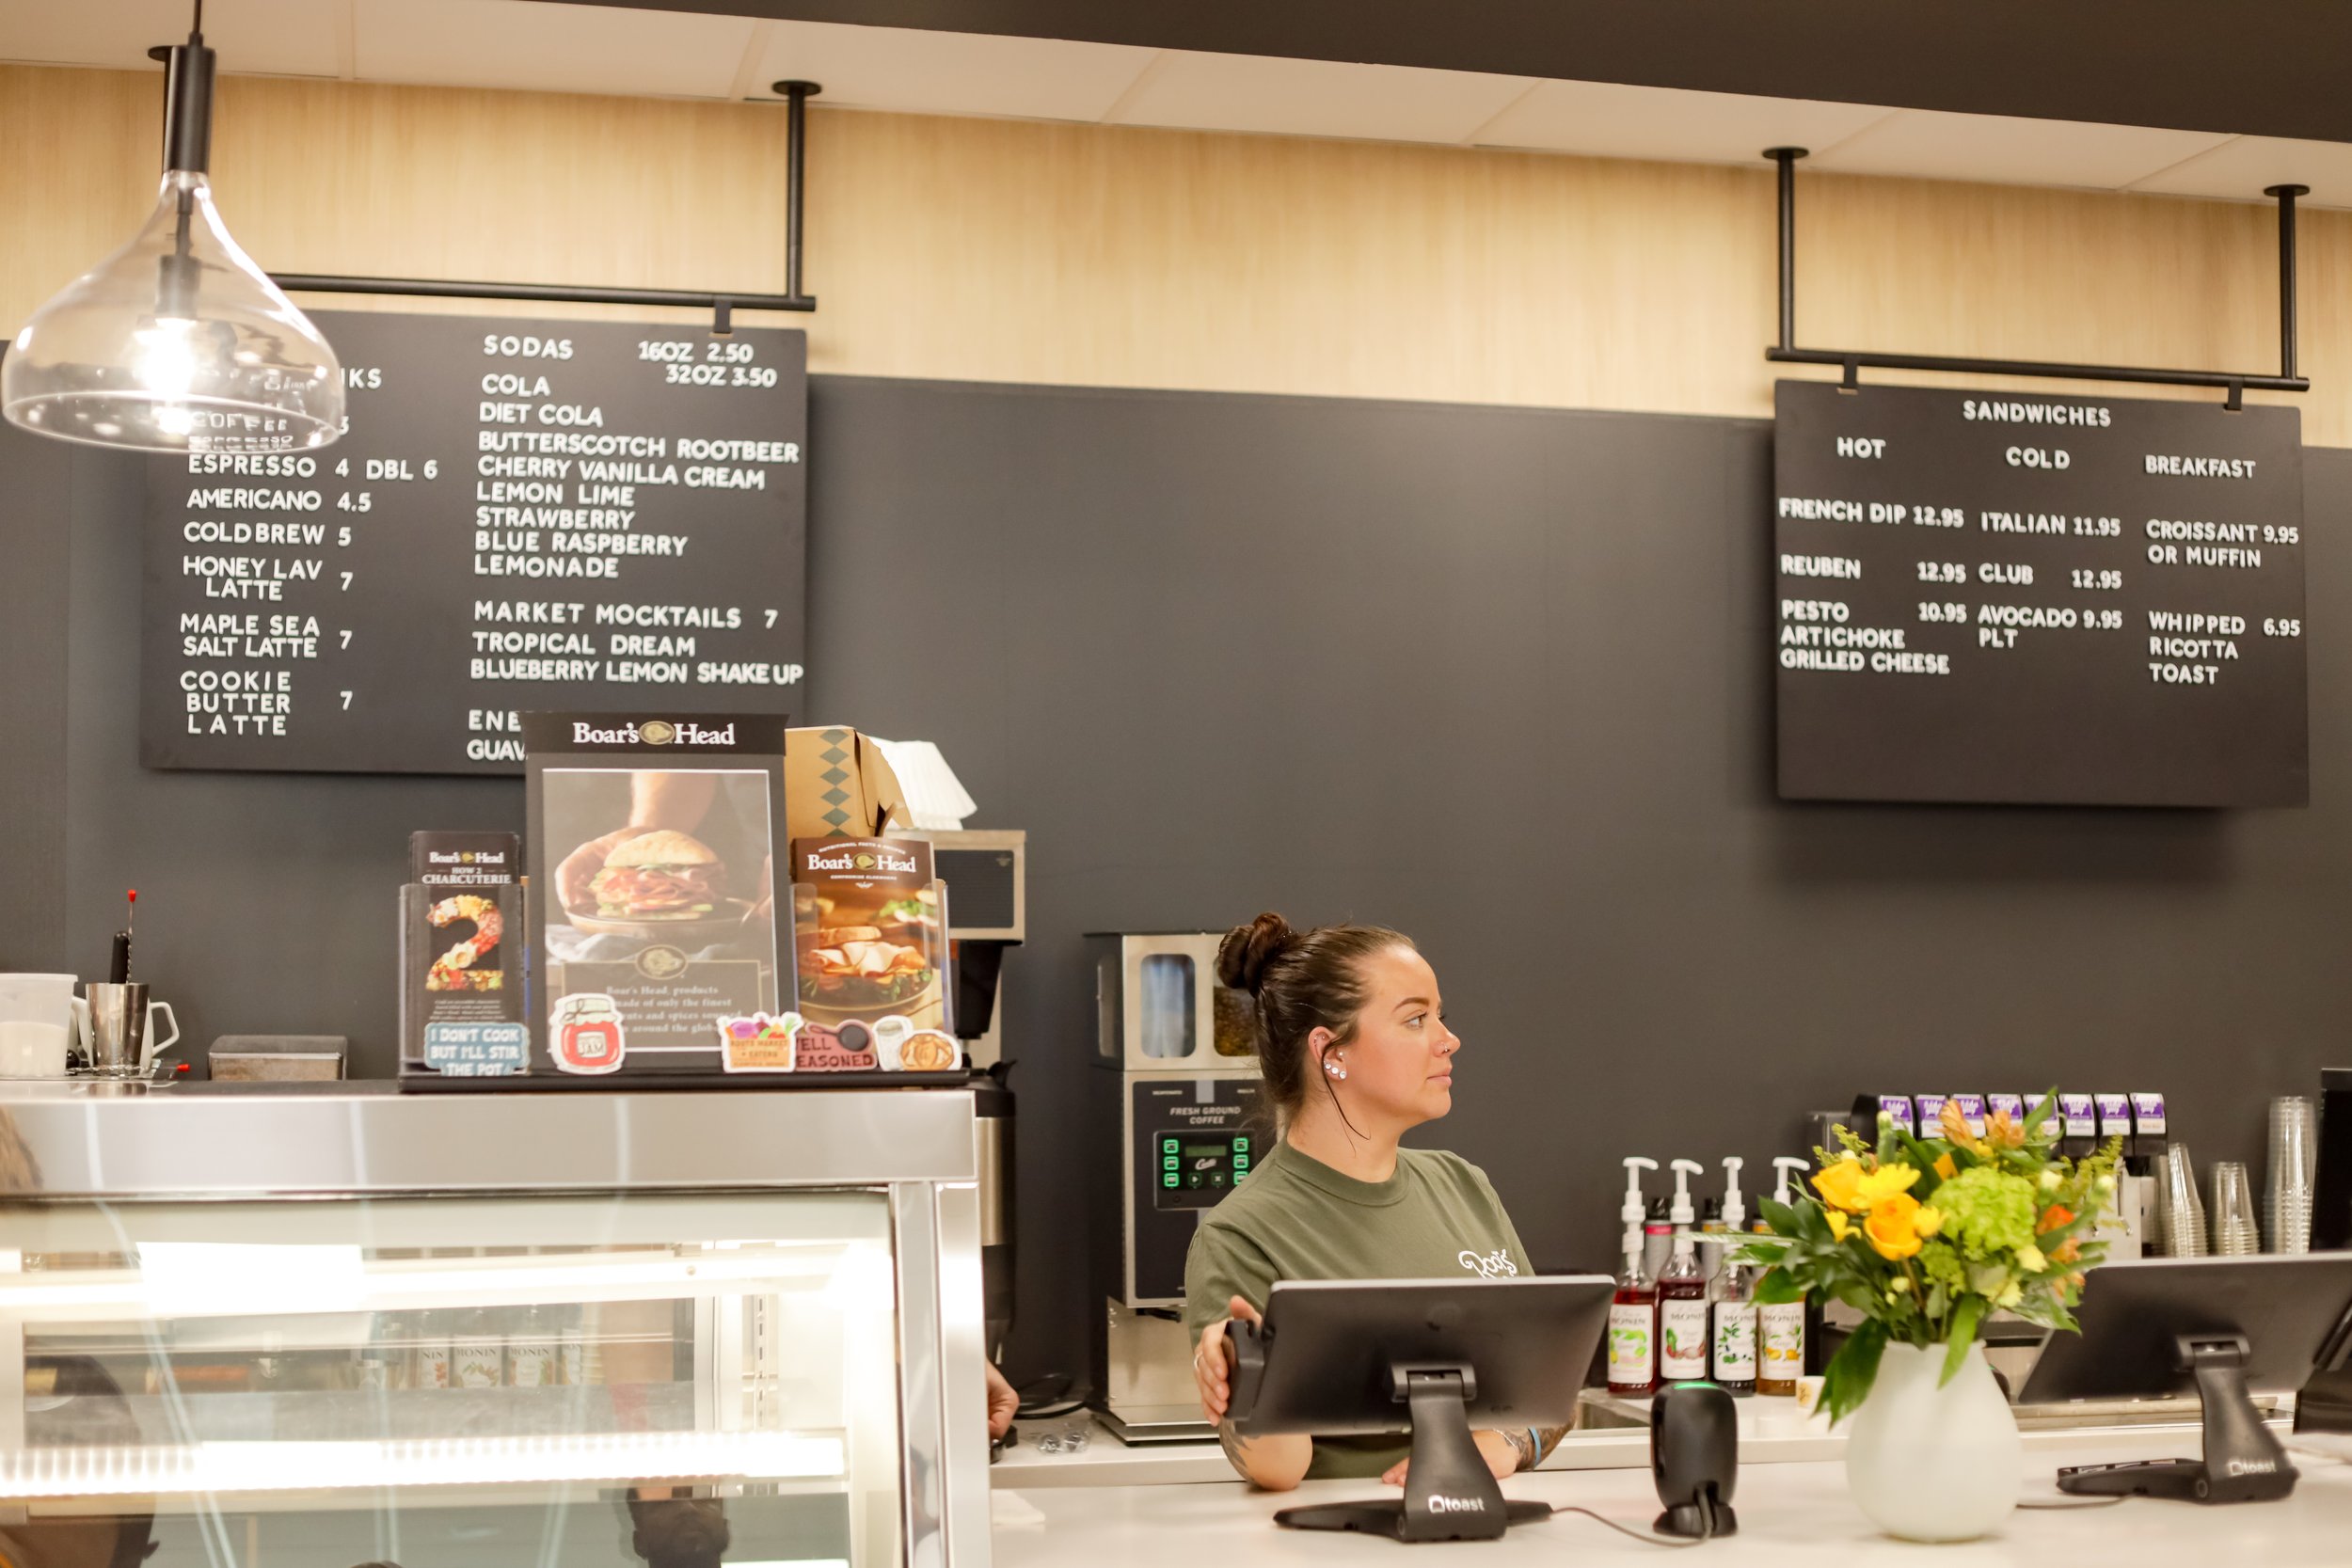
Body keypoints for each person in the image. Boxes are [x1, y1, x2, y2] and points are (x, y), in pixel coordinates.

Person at [1186, 912, 1560, 1491]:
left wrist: (1503, 1444)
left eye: (1440, 1016)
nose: (1448, 1039)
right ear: (1331, 1052)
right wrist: (1245, 1378)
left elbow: (1551, 1395)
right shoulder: (1242, 1234)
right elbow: (1278, 1472)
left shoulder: (1463, 1187)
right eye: (1416, 1019)